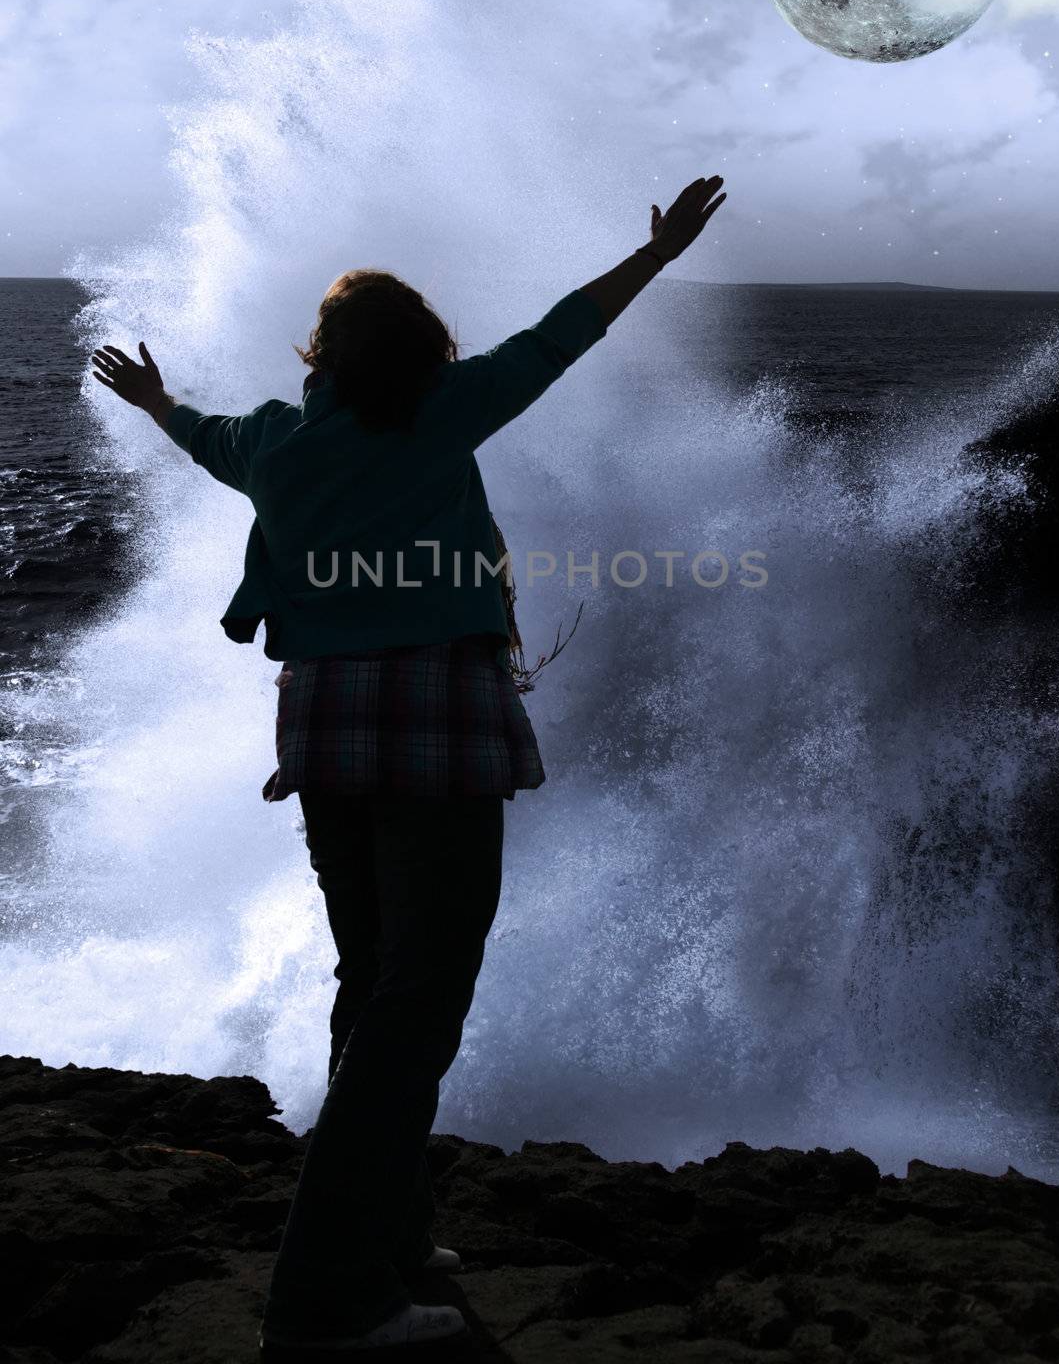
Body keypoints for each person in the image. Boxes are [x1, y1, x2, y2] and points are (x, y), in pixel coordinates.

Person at [90, 172, 727, 1356]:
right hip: (435, 717)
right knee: (416, 995)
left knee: (372, 976)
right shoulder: (445, 410)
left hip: (323, 729)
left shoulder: (276, 442)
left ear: (321, 356)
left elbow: (204, 440)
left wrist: (155, 400)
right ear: (424, 350)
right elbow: (561, 335)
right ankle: (328, 1292)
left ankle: (385, 1229)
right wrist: (658, 254)